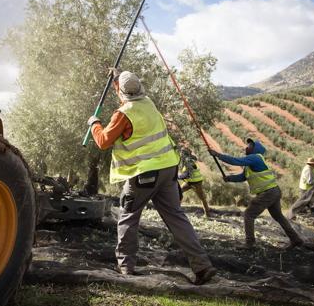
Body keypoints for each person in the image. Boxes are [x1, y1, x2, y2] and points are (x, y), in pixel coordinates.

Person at [87, 70, 217, 285]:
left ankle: (126, 267)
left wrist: (94, 123)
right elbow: (129, 90)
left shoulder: (123, 113)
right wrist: (117, 78)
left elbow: (103, 142)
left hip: (144, 175)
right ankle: (203, 266)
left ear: (121, 91)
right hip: (168, 170)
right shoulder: (149, 103)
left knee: (128, 216)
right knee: (177, 218)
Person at [209, 138, 303, 249]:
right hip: (273, 191)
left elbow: (236, 161)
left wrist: (217, 155)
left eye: (249, 145)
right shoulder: (250, 164)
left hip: (268, 192)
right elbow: (242, 177)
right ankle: (296, 240)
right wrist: (230, 178)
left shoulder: (255, 158)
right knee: (279, 217)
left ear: (255, 148)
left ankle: (250, 243)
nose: (246, 147)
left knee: (249, 214)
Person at [178, 148, 211, 217]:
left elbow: (188, 174)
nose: (180, 154)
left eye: (181, 153)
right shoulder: (187, 159)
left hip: (196, 182)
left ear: (184, 154)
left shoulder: (188, 161)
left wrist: (178, 177)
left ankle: (208, 214)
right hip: (189, 181)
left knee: (202, 197)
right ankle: (177, 211)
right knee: (178, 192)